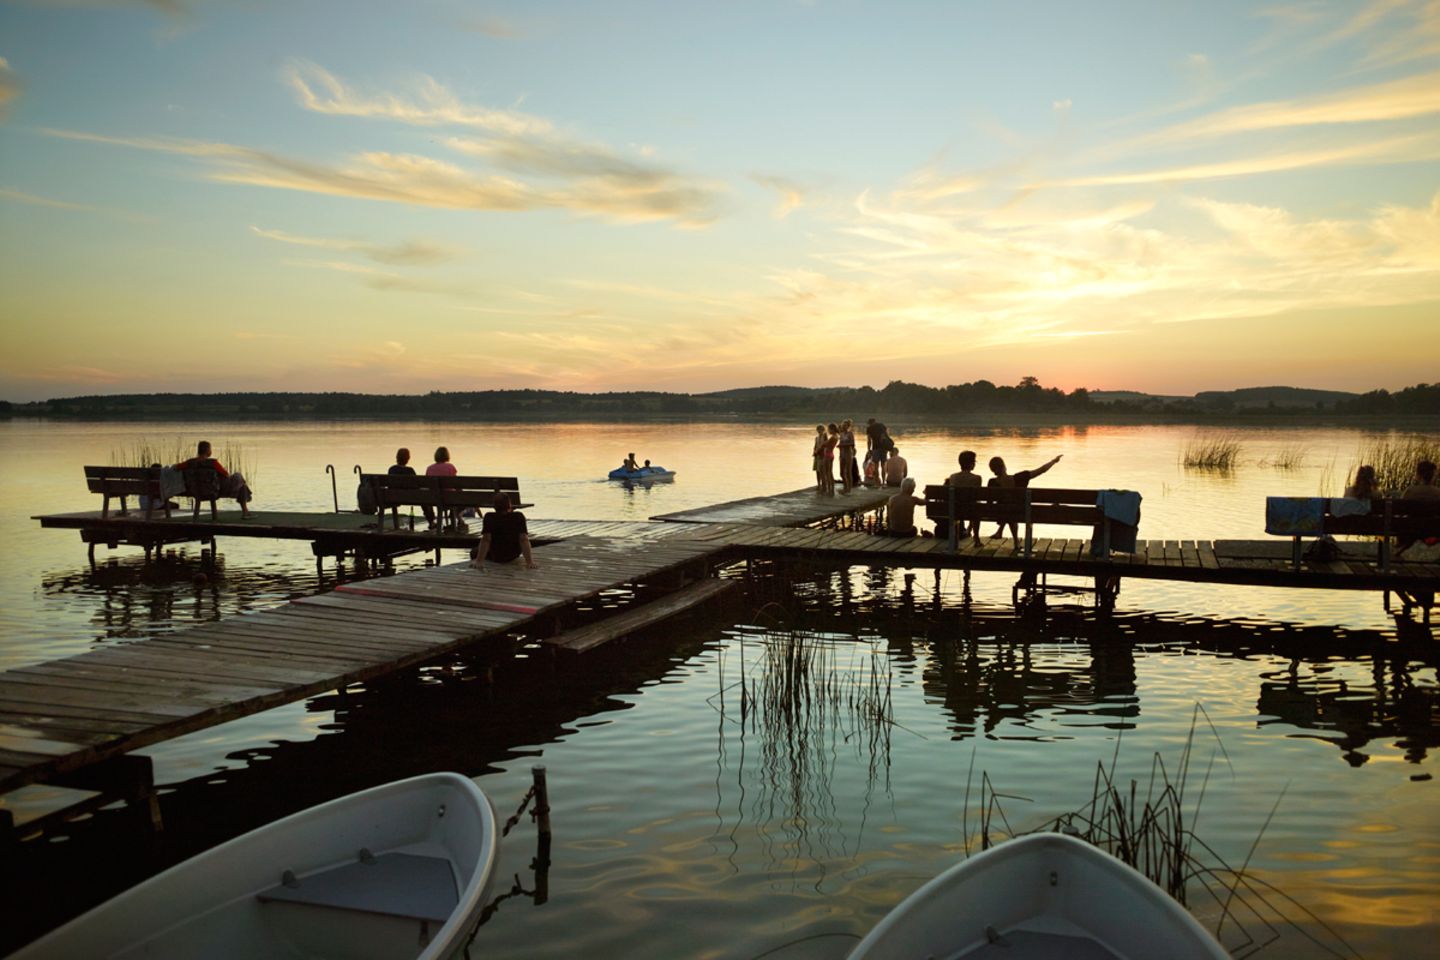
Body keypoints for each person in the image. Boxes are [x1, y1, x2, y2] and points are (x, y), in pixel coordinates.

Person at [987, 453, 1063, 539]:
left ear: (992, 470)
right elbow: (1041, 470)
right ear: (1004, 466)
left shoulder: (992, 482)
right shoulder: (1021, 477)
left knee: (1007, 508)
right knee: (1010, 509)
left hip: (1000, 513)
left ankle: (1001, 532)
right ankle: (1013, 541)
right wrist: (1053, 461)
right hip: (1021, 512)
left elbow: (989, 501)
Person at [174, 441, 253, 518]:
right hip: (214, 491)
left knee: (242, 486)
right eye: (210, 449)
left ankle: (245, 509)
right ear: (208, 451)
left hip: (195, 490)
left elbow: (176, 467)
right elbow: (226, 474)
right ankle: (245, 512)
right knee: (240, 480)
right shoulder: (213, 463)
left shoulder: (189, 462)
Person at [470, 492, 537, 572]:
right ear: (509, 504)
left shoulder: (489, 517)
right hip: (514, 553)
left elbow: (486, 540)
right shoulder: (518, 516)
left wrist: (479, 561)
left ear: (494, 506)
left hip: (496, 555)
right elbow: (524, 539)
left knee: (473, 552)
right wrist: (529, 562)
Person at [944, 450, 983, 540]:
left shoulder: (952, 477)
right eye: (974, 462)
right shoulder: (977, 478)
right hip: (971, 510)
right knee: (976, 505)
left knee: (973, 505)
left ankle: (956, 538)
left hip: (954, 510)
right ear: (971, 464)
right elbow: (976, 497)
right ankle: (976, 537)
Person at [426, 446, 459, 529]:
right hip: (449, 498)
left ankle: (431, 521)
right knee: (463, 498)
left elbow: (427, 485)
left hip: (433, 498)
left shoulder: (429, 468)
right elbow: (455, 483)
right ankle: (452, 518)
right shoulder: (450, 467)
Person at [838, 419, 857, 494]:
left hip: (848, 453)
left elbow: (852, 443)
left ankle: (849, 489)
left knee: (848, 472)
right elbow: (840, 443)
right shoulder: (841, 434)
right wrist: (840, 453)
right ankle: (845, 487)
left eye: (845, 426)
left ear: (848, 426)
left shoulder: (850, 434)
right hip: (842, 453)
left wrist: (842, 445)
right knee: (842, 472)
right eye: (843, 425)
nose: (844, 427)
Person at [821, 423, 839, 496]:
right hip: (830, 454)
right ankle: (831, 488)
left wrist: (825, 438)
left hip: (828, 455)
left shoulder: (833, 437)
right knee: (829, 472)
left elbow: (824, 444)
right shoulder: (836, 436)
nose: (828, 430)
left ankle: (829, 489)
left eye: (829, 429)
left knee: (827, 473)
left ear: (832, 429)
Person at [812, 425, 828, 494]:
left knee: (822, 471)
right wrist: (814, 452)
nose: (819, 431)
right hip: (817, 455)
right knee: (817, 470)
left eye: (821, 429)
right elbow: (815, 446)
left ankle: (823, 485)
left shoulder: (825, 436)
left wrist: (819, 451)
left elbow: (826, 445)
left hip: (823, 455)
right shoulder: (816, 438)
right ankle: (818, 484)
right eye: (818, 430)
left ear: (823, 430)